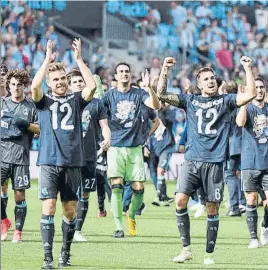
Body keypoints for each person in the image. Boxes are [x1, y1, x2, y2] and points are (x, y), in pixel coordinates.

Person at [157, 56, 256, 265]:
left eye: (213, 78)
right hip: (192, 161)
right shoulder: (189, 100)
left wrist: (247, 68)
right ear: (199, 84)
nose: (211, 81)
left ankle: (209, 254)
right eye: (206, 79)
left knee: (212, 208)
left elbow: (251, 94)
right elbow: (162, 94)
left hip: (215, 163)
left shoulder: (226, 100)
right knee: (180, 200)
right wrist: (165, 70)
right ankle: (186, 249)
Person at [31, 39, 96, 269]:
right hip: (49, 161)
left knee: (69, 211)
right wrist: (47, 60)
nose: (60, 83)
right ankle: (47, 258)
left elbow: (92, 87)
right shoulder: (43, 101)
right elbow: (34, 88)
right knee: (48, 207)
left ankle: (65, 252)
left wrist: (79, 60)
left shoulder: (76, 100)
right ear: (50, 83)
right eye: (55, 80)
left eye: (62, 79)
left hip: (72, 163)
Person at [102, 65, 160, 238]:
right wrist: (105, 137)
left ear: (130, 74)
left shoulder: (139, 94)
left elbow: (155, 105)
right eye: (121, 71)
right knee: (117, 186)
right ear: (116, 75)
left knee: (138, 188)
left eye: (127, 71)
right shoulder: (109, 96)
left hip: (135, 148)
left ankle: (132, 215)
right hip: (116, 147)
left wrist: (149, 88)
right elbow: (101, 117)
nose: (124, 74)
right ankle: (119, 227)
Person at [67, 69, 110, 242]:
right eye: (75, 82)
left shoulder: (97, 103)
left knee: (85, 193)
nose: (79, 83)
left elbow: (104, 125)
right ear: (69, 85)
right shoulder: (66, 102)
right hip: (70, 156)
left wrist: (107, 137)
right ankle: (68, 226)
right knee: (69, 195)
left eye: (81, 81)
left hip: (90, 155)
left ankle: (78, 230)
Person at [1, 69, 39, 242]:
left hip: (21, 158)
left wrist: (25, 124)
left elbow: (40, 129)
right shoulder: (2, 104)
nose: (16, 88)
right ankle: (4, 221)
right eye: (13, 84)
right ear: (8, 85)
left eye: (19, 85)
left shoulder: (31, 106)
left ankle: (18, 231)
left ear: (25, 86)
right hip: (2, 156)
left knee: (19, 195)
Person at [236, 76, 268, 248]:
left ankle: (264, 226)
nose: (260, 90)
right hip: (250, 160)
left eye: (262, 87)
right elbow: (240, 123)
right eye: (256, 87)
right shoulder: (247, 109)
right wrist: (242, 104)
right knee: (252, 199)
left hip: (267, 161)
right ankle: (253, 237)